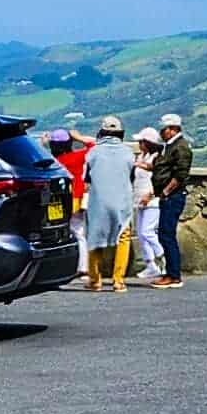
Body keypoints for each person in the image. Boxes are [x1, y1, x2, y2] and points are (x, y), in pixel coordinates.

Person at [79, 120, 139, 292]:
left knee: (95, 237)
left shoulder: (93, 153)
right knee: (123, 237)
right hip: (122, 201)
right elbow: (131, 177)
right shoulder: (128, 153)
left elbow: (86, 178)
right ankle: (118, 281)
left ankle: (95, 280)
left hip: (99, 202)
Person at [145, 115, 192, 287]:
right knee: (165, 234)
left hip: (173, 196)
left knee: (167, 234)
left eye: (163, 130)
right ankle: (171, 272)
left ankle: (173, 275)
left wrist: (165, 191)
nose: (161, 133)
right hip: (168, 196)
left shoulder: (181, 147)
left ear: (173, 129)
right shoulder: (169, 147)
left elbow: (180, 174)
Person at [122, 124, 166, 284]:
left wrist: (151, 194)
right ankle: (150, 264)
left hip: (151, 199)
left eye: (141, 141)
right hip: (139, 199)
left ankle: (163, 256)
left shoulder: (156, 158)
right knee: (141, 234)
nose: (139, 144)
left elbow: (159, 178)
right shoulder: (141, 157)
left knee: (148, 231)